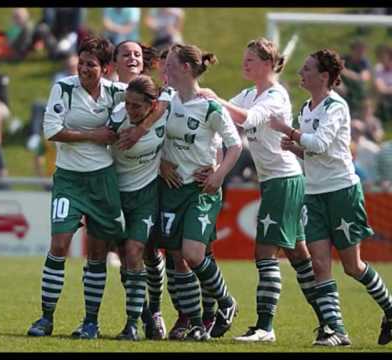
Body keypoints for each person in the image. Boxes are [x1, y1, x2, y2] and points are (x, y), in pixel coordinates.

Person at [200, 38, 323, 343]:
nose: (244, 64)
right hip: (276, 181)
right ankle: (331, 322)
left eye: (250, 60)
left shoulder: (276, 96)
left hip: (284, 180)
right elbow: (223, 117)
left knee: (265, 252)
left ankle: (265, 327)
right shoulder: (248, 94)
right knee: (297, 255)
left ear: (267, 64)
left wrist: (214, 98)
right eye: (245, 59)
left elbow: (244, 118)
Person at [269, 48, 392, 346]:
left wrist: (289, 131)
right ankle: (336, 330)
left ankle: (390, 309)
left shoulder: (336, 106)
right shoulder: (307, 109)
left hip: (342, 192)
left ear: (324, 76)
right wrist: (295, 148)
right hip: (314, 194)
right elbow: (313, 151)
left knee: (353, 266)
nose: (301, 72)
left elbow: (321, 144)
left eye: (308, 68)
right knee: (319, 265)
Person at [26, 36, 127, 339]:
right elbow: (51, 130)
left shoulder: (116, 91)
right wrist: (93, 135)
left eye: (91, 65)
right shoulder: (64, 87)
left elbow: (155, 97)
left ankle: (91, 322)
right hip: (69, 179)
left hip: (102, 181)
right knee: (59, 245)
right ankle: (45, 318)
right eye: (81, 63)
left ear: (106, 68)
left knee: (96, 255)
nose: (83, 69)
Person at [159, 43, 243, 341]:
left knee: (193, 254)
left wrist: (218, 175)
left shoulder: (210, 106)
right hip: (170, 189)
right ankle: (195, 321)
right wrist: (160, 164)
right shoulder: (165, 99)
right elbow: (152, 137)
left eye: (168, 62)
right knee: (175, 256)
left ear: (185, 68)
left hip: (200, 190)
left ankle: (226, 302)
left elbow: (236, 146)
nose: (163, 67)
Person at [108, 75, 170, 340]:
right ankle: (144, 316)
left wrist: (142, 129)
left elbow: (170, 96)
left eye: (137, 106)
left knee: (137, 252)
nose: (130, 110)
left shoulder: (163, 115)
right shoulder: (116, 118)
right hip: (116, 195)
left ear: (152, 106)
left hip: (145, 195)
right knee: (124, 256)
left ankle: (135, 322)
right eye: (128, 104)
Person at [336, 39, 371, 118]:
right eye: (359, 50)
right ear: (353, 50)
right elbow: (334, 73)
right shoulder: (343, 59)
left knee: (365, 97)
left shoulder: (364, 62)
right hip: (343, 86)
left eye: (363, 50)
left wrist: (346, 72)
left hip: (357, 88)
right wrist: (339, 83)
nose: (362, 52)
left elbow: (365, 77)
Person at [374, 46, 392, 124]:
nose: (382, 59)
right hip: (383, 95)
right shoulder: (378, 68)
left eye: (384, 57)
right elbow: (379, 86)